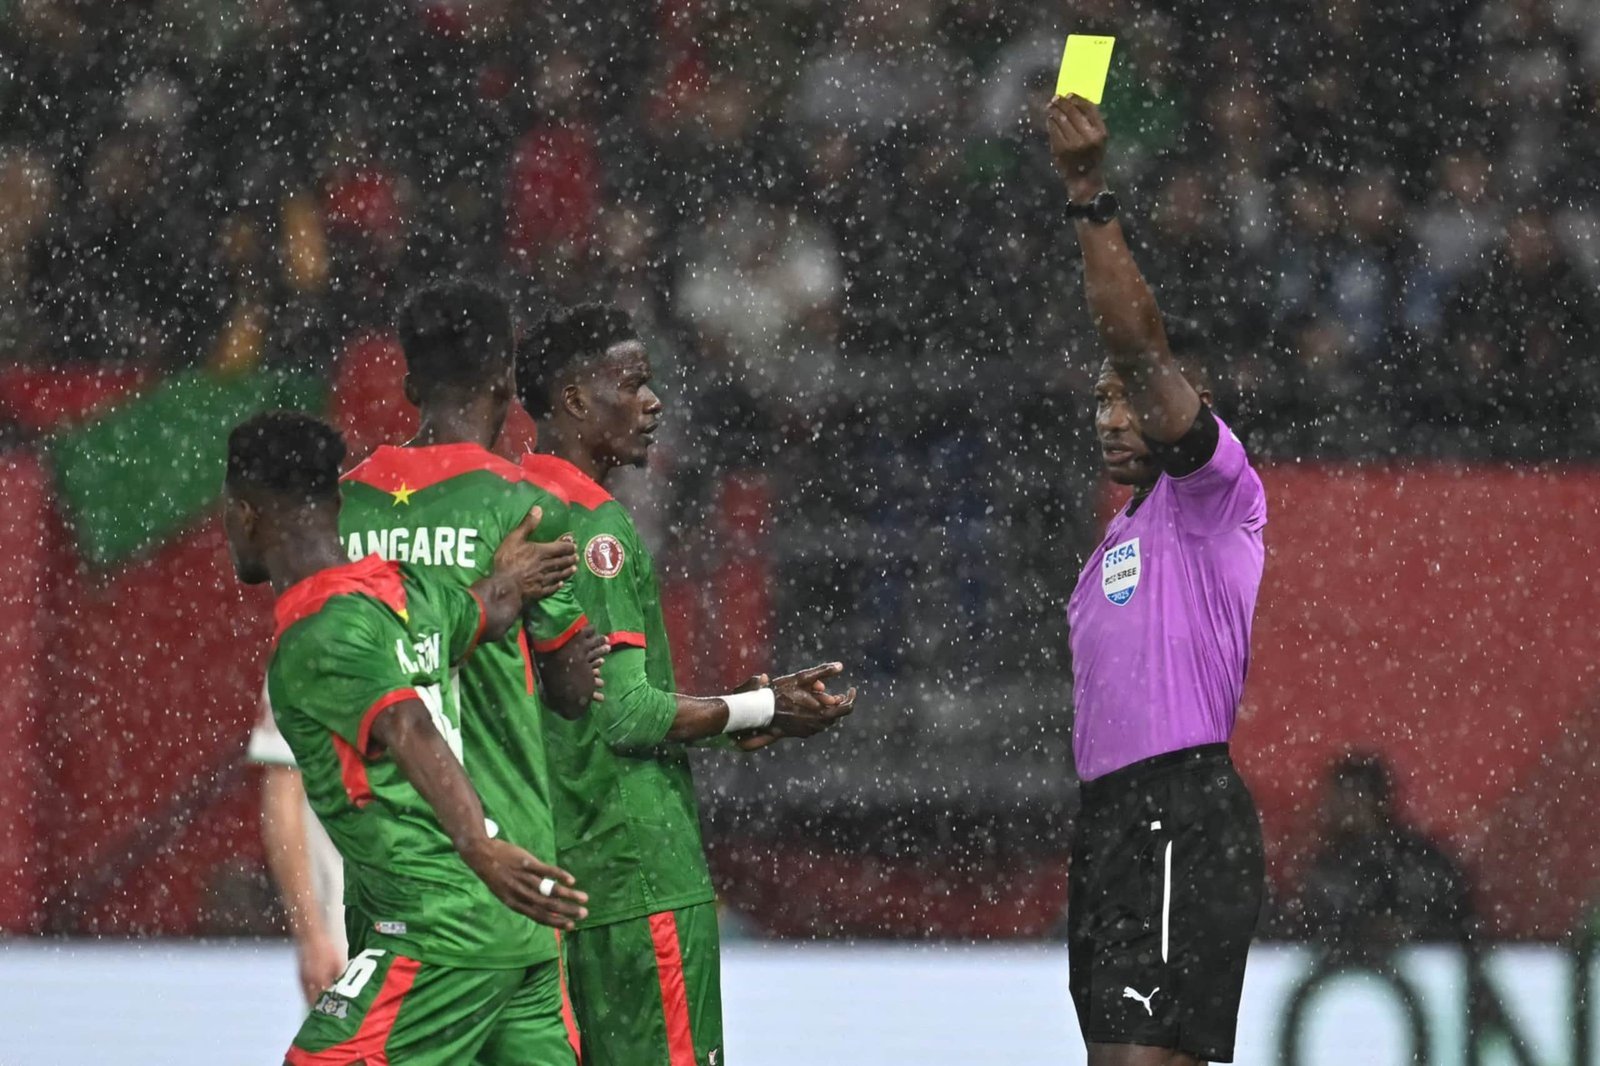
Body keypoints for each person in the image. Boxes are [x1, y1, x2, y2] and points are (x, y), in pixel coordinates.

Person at [516, 303, 858, 1066]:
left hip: (552, 871)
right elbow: (627, 715)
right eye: (632, 384)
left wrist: (739, 716)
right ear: (574, 400)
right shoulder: (593, 524)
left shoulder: (509, 507)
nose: (653, 402)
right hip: (636, 869)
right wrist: (764, 705)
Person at [223, 410, 589, 1065]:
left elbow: (406, 725)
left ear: (247, 515)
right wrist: (511, 578)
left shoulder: (319, 635)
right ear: (335, 504)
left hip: (435, 926)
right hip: (514, 927)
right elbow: (484, 609)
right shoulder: (403, 592)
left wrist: (476, 845)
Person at [1047, 94, 1268, 1066]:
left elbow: (1140, 347)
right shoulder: (1113, 545)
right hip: (1108, 819)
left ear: (1188, 402)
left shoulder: (1215, 493)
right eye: (1096, 400)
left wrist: (1087, 192)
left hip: (1179, 807)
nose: (1110, 416)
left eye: (1125, 399)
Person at [338, 282, 607, 1059]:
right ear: (507, 381)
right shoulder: (522, 506)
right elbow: (570, 692)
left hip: (393, 868)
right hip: (512, 863)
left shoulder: (344, 507)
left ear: (410, 384)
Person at [1295, 752, 1472, 953]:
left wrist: (1403, 930)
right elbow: (1306, 932)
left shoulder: (1420, 859)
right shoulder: (1327, 866)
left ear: (1378, 799)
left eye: (1353, 795)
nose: (1344, 807)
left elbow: (1453, 922)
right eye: (1339, 797)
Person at [246, 684, 347, 1005]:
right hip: (351, 939)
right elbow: (282, 799)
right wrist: (311, 935)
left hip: (454, 929)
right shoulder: (303, 657)